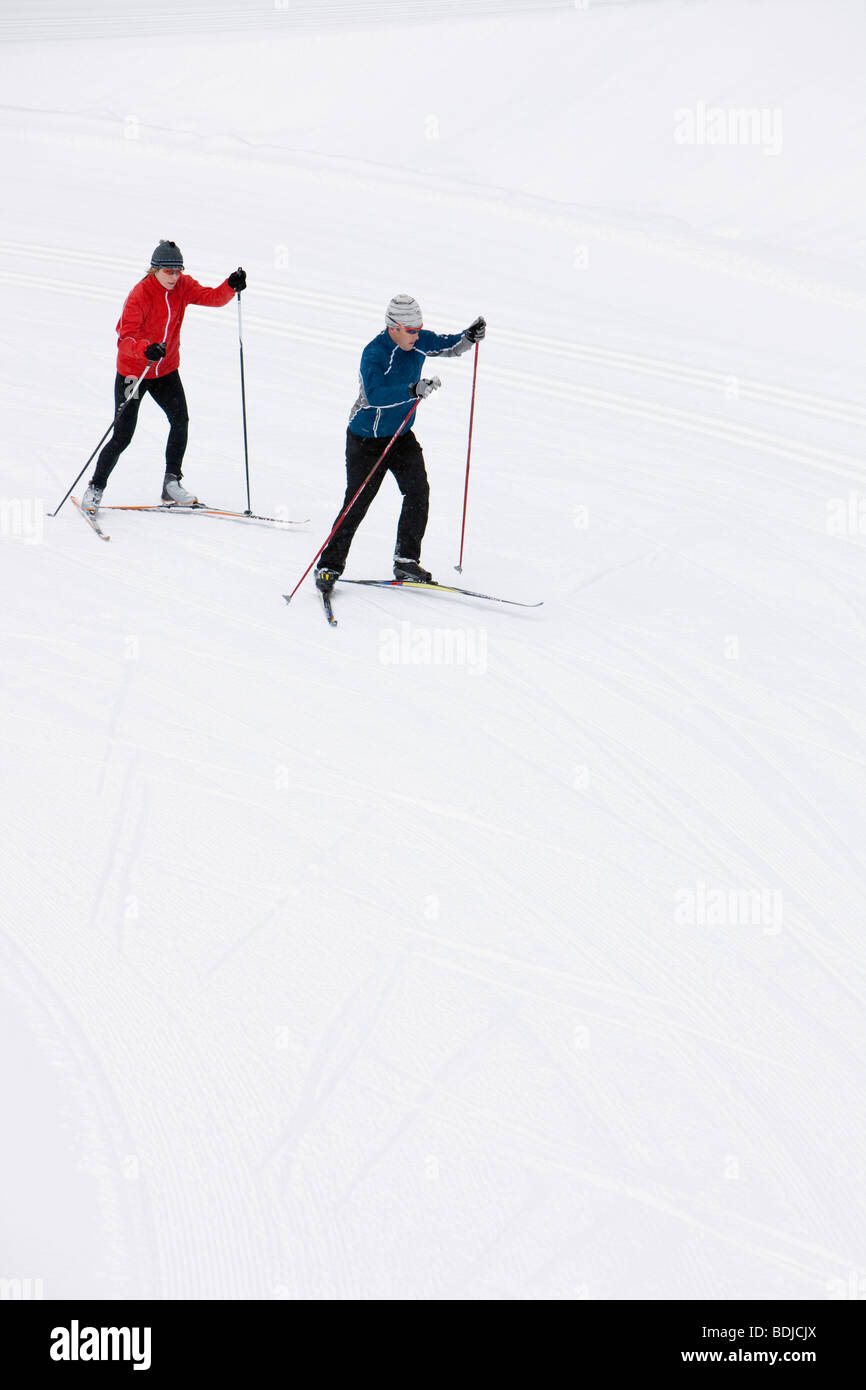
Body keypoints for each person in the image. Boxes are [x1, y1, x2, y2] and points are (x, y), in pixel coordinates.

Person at [314, 293, 486, 592]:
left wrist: (469, 337)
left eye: (419, 329)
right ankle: (328, 566)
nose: (417, 335)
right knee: (357, 503)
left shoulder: (417, 340)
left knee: (418, 492)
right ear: (393, 327)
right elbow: (376, 396)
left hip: (401, 437)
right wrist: (412, 389)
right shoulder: (374, 353)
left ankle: (406, 561)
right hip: (366, 439)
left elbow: (448, 346)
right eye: (411, 330)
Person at [81, 240, 246, 513]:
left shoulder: (183, 286)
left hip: (165, 369)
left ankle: (171, 485)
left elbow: (211, 297)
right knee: (123, 435)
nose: (174, 276)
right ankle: (95, 488)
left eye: (178, 271)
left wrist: (230, 285)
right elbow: (125, 339)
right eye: (168, 271)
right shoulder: (140, 295)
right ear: (154, 269)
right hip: (135, 370)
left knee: (180, 420)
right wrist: (146, 349)